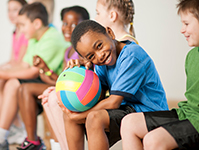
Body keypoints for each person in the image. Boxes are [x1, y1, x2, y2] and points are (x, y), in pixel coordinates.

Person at [59, 20, 168, 150]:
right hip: (127, 109)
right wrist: (84, 73)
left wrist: (79, 116)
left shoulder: (132, 54)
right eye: (91, 56)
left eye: (99, 45)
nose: (100, 56)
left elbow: (113, 103)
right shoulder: (102, 64)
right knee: (69, 115)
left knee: (94, 118)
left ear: (110, 33)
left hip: (150, 112)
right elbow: (98, 97)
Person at [120, 0, 199, 149]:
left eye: (187, 24)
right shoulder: (192, 56)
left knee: (153, 140)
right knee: (129, 123)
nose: (182, 30)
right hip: (187, 113)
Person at [18, 5, 90, 150]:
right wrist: (45, 69)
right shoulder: (68, 50)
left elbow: (76, 83)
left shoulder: (82, 51)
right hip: (65, 88)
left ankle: (45, 143)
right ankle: (47, 143)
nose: (68, 28)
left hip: (78, 94)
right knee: (33, 92)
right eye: (64, 23)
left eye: (74, 24)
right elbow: (60, 80)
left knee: (30, 90)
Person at [0, 2, 69, 150]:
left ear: (36, 23)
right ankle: (11, 131)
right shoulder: (34, 39)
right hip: (43, 78)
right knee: (8, 81)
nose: (21, 29)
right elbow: (24, 65)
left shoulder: (52, 38)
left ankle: (3, 136)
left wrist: (3, 74)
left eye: (23, 25)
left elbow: (32, 71)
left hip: (55, 81)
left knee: (13, 84)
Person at [0, 0, 28, 145]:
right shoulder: (15, 31)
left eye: (15, 9)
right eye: (9, 10)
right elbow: (12, 60)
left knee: (3, 81)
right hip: (17, 67)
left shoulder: (25, 31)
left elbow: (21, 63)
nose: (11, 14)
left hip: (24, 69)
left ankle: (13, 127)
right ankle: (14, 126)